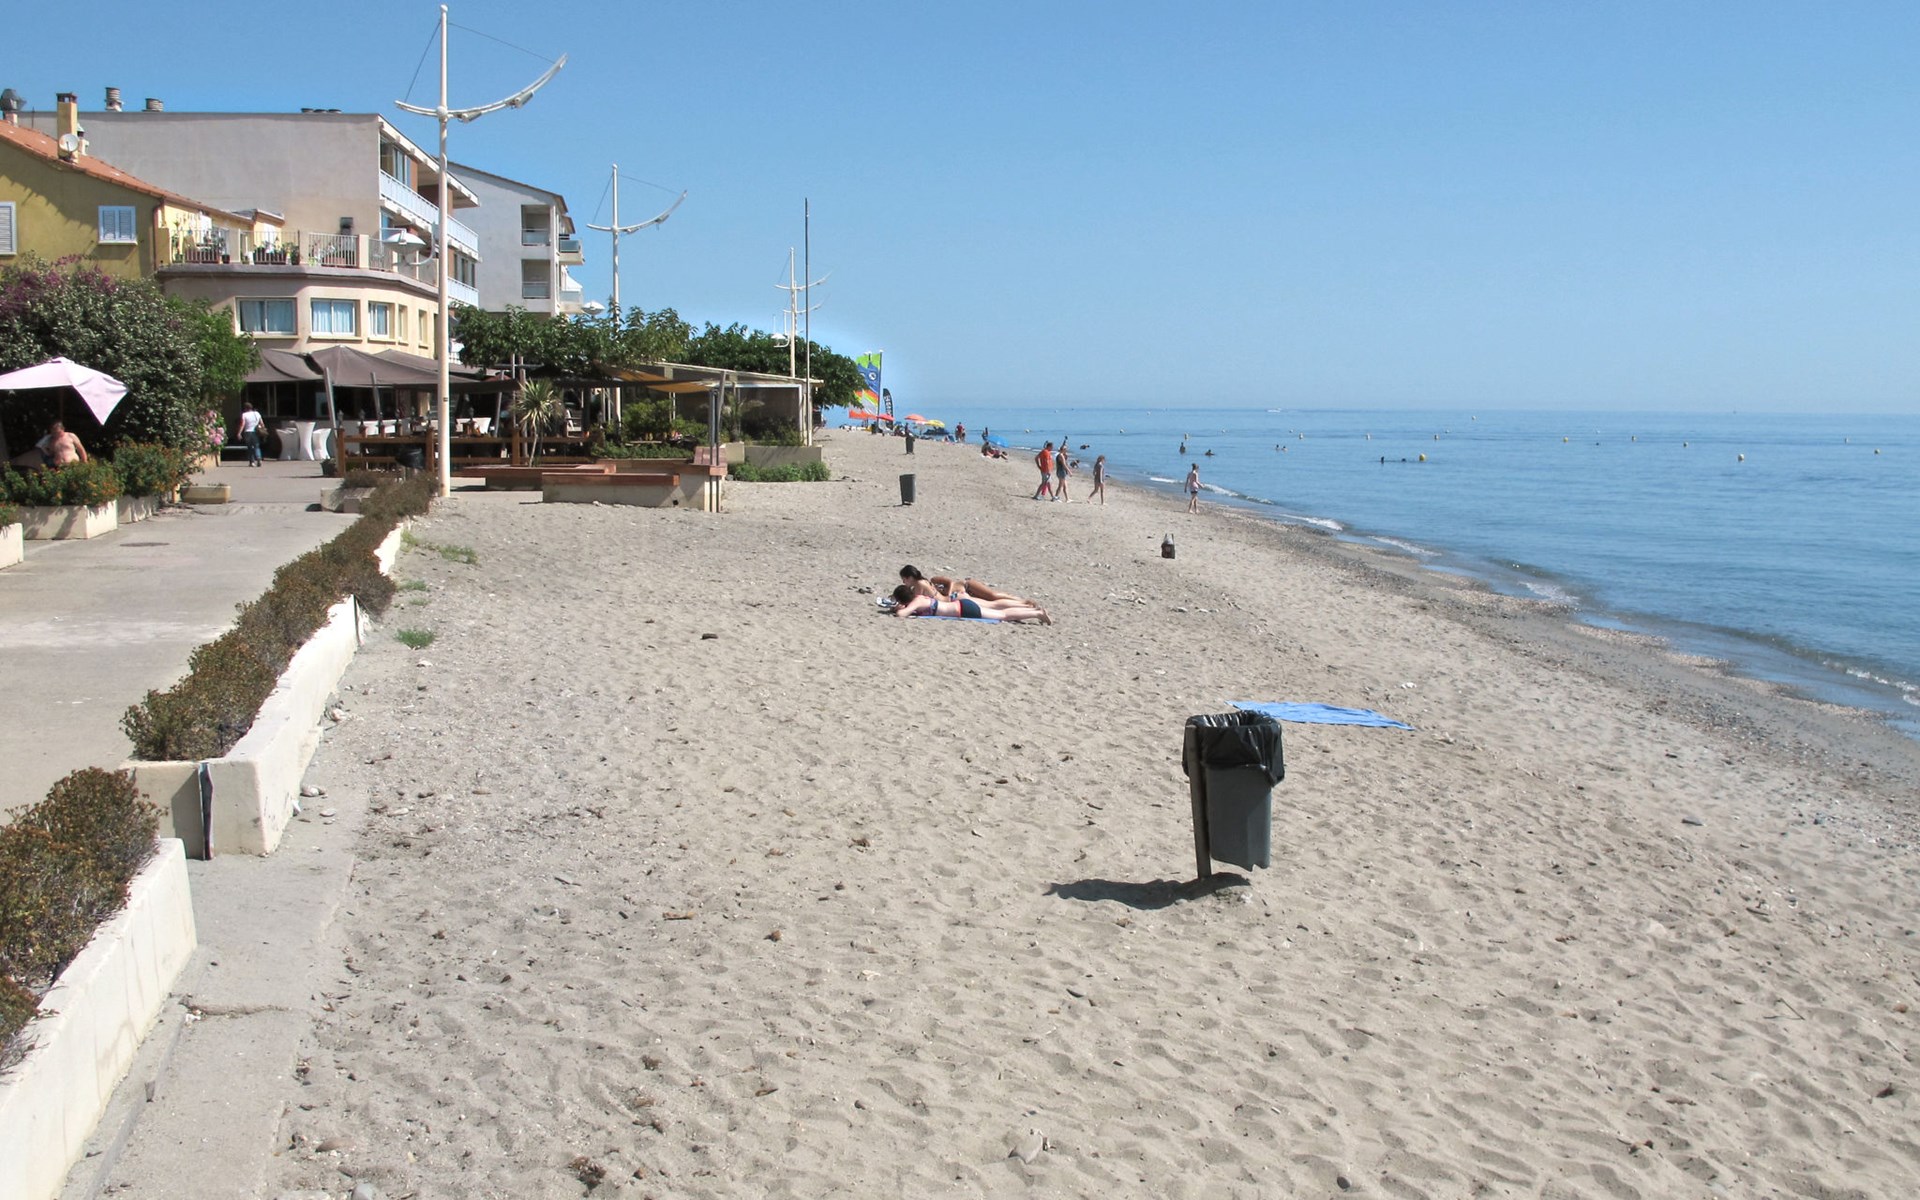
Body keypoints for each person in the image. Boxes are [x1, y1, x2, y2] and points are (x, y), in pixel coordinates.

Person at [889, 584, 1051, 624]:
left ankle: (1037, 613)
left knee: (1003, 615)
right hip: (961, 605)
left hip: (963, 609)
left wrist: (899, 609)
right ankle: (1031, 609)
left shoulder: (916, 602)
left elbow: (901, 615)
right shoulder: (919, 598)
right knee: (995, 607)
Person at [899, 565, 1032, 606]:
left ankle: (1021, 601)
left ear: (910, 577)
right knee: (991, 601)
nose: (904, 582)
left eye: (904, 579)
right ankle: (1021, 602)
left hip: (966, 586)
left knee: (993, 596)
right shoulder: (921, 584)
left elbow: (950, 582)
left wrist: (948, 594)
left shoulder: (926, 582)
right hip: (961, 593)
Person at [238, 402, 265, 467]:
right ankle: (259, 459)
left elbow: (242, 424)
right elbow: (262, 423)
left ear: (245, 408)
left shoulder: (244, 414)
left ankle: (252, 462)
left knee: (250, 447)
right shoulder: (257, 413)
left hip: (247, 432)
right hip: (256, 432)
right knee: (256, 446)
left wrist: (239, 433)